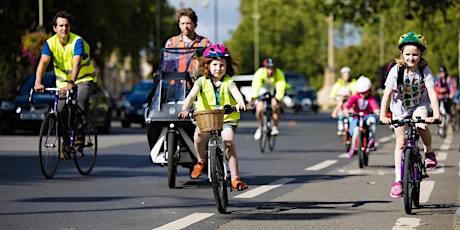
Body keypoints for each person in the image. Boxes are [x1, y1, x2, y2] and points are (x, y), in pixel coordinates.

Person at [178, 44, 248, 191]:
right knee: (198, 137)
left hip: (226, 118)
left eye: (222, 65)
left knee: (228, 142)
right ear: (207, 66)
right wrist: (184, 109)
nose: (218, 68)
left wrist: (241, 102)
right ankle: (201, 160)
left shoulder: (229, 81)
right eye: (214, 64)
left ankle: (235, 178)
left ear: (227, 66)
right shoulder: (201, 81)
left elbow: (236, 93)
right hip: (206, 119)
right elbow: (191, 96)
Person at [379, 31, 440, 198]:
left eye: (415, 54)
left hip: (419, 105)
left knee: (421, 124)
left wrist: (435, 114)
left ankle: (429, 151)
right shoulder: (396, 71)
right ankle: (398, 180)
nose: (411, 58)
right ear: (402, 54)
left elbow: (432, 94)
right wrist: (383, 115)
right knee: (400, 143)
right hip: (399, 108)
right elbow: (387, 95)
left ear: (421, 54)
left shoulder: (424, 70)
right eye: (408, 54)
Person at [34, 10, 96, 117]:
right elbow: (43, 63)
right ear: (55, 28)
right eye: (61, 26)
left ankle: (80, 130)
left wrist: (71, 83)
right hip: (63, 83)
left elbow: (77, 63)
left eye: (66, 25)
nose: (64, 28)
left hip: (83, 79)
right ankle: (64, 132)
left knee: (81, 101)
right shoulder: (50, 43)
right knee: (59, 111)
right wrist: (38, 82)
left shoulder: (77, 41)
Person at [343, 76, 380, 158]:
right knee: (355, 131)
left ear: (369, 90)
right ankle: (353, 147)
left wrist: (376, 111)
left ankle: (372, 140)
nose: (363, 95)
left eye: (365, 92)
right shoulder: (355, 97)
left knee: (372, 121)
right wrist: (346, 111)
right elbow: (348, 105)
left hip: (367, 116)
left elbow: (374, 106)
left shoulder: (370, 98)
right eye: (361, 93)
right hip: (356, 117)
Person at [251, 58, 286, 140]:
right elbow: (256, 84)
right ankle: (260, 127)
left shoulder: (278, 73)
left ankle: (275, 127)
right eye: (268, 68)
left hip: (274, 90)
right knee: (259, 109)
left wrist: (277, 98)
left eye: (272, 68)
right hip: (263, 90)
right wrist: (254, 96)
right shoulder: (260, 72)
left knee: (275, 106)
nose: (270, 71)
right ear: (265, 68)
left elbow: (281, 86)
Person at [330, 67, 357, 135]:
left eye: (347, 74)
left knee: (351, 117)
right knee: (341, 115)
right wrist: (338, 98)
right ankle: (341, 128)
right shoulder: (338, 84)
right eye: (345, 75)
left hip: (351, 103)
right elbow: (332, 95)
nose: (346, 76)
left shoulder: (353, 83)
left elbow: (356, 93)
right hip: (341, 103)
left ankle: (352, 129)